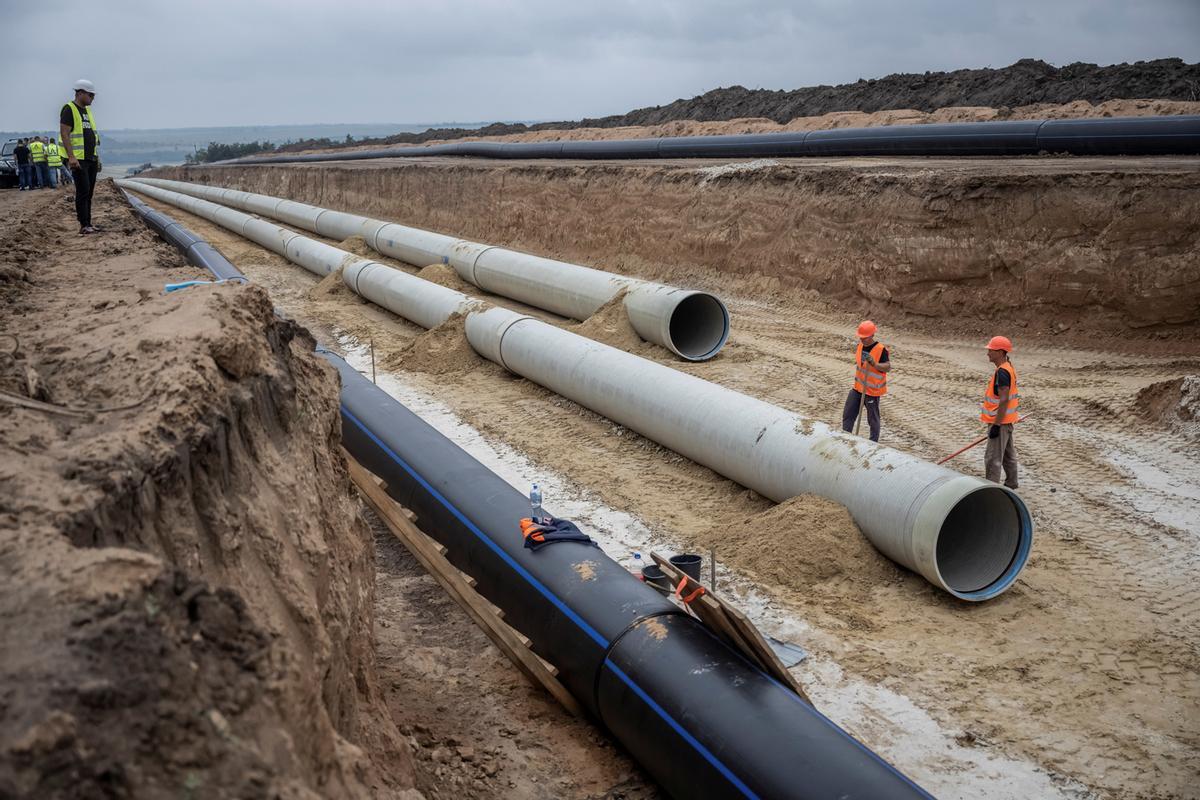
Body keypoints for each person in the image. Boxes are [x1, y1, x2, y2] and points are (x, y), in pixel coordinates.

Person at [980, 335, 1021, 489]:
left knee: (993, 459)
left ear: (1000, 352)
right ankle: (1011, 483)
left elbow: (1004, 399)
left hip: (1000, 422)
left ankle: (991, 488)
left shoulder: (1003, 372)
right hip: (1007, 421)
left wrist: (996, 425)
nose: (988, 353)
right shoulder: (1007, 368)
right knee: (1008, 456)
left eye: (991, 350)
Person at [61, 79, 101, 234]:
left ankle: (88, 223)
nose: (93, 98)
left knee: (89, 192)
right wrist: (71, 157)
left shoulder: (87, 111)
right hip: (79, 159)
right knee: (83, 191)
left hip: (91, 158)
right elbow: (65, 134)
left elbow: (92, 136)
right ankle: (83, 225)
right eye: (90, 95)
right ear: (80, 93)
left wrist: (97, 158)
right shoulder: (69, 109)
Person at [841, 320, 891, 442]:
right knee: (848, 414)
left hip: (872, 391)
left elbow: (888, 367)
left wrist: (874, 363)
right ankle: (845, 438)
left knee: (873, 420)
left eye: (865, 337)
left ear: (872, 335)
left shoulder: (881, 349)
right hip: (858, 388)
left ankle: (873, 443)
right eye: (861, 337)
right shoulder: (860, 346)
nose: (862, 340)